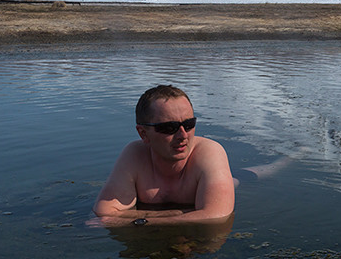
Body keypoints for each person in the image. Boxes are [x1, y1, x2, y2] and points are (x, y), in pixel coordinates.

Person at [93, 85, 236, 226]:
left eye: (189, 124)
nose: (183, 135)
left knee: (240, 179)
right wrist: (177, 213)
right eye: (169, 128)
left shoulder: (209, 152)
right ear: (143, 133)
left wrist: (137, 221)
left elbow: (217, 216)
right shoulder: (135, 154)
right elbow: (104, 212)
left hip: (220, 182)